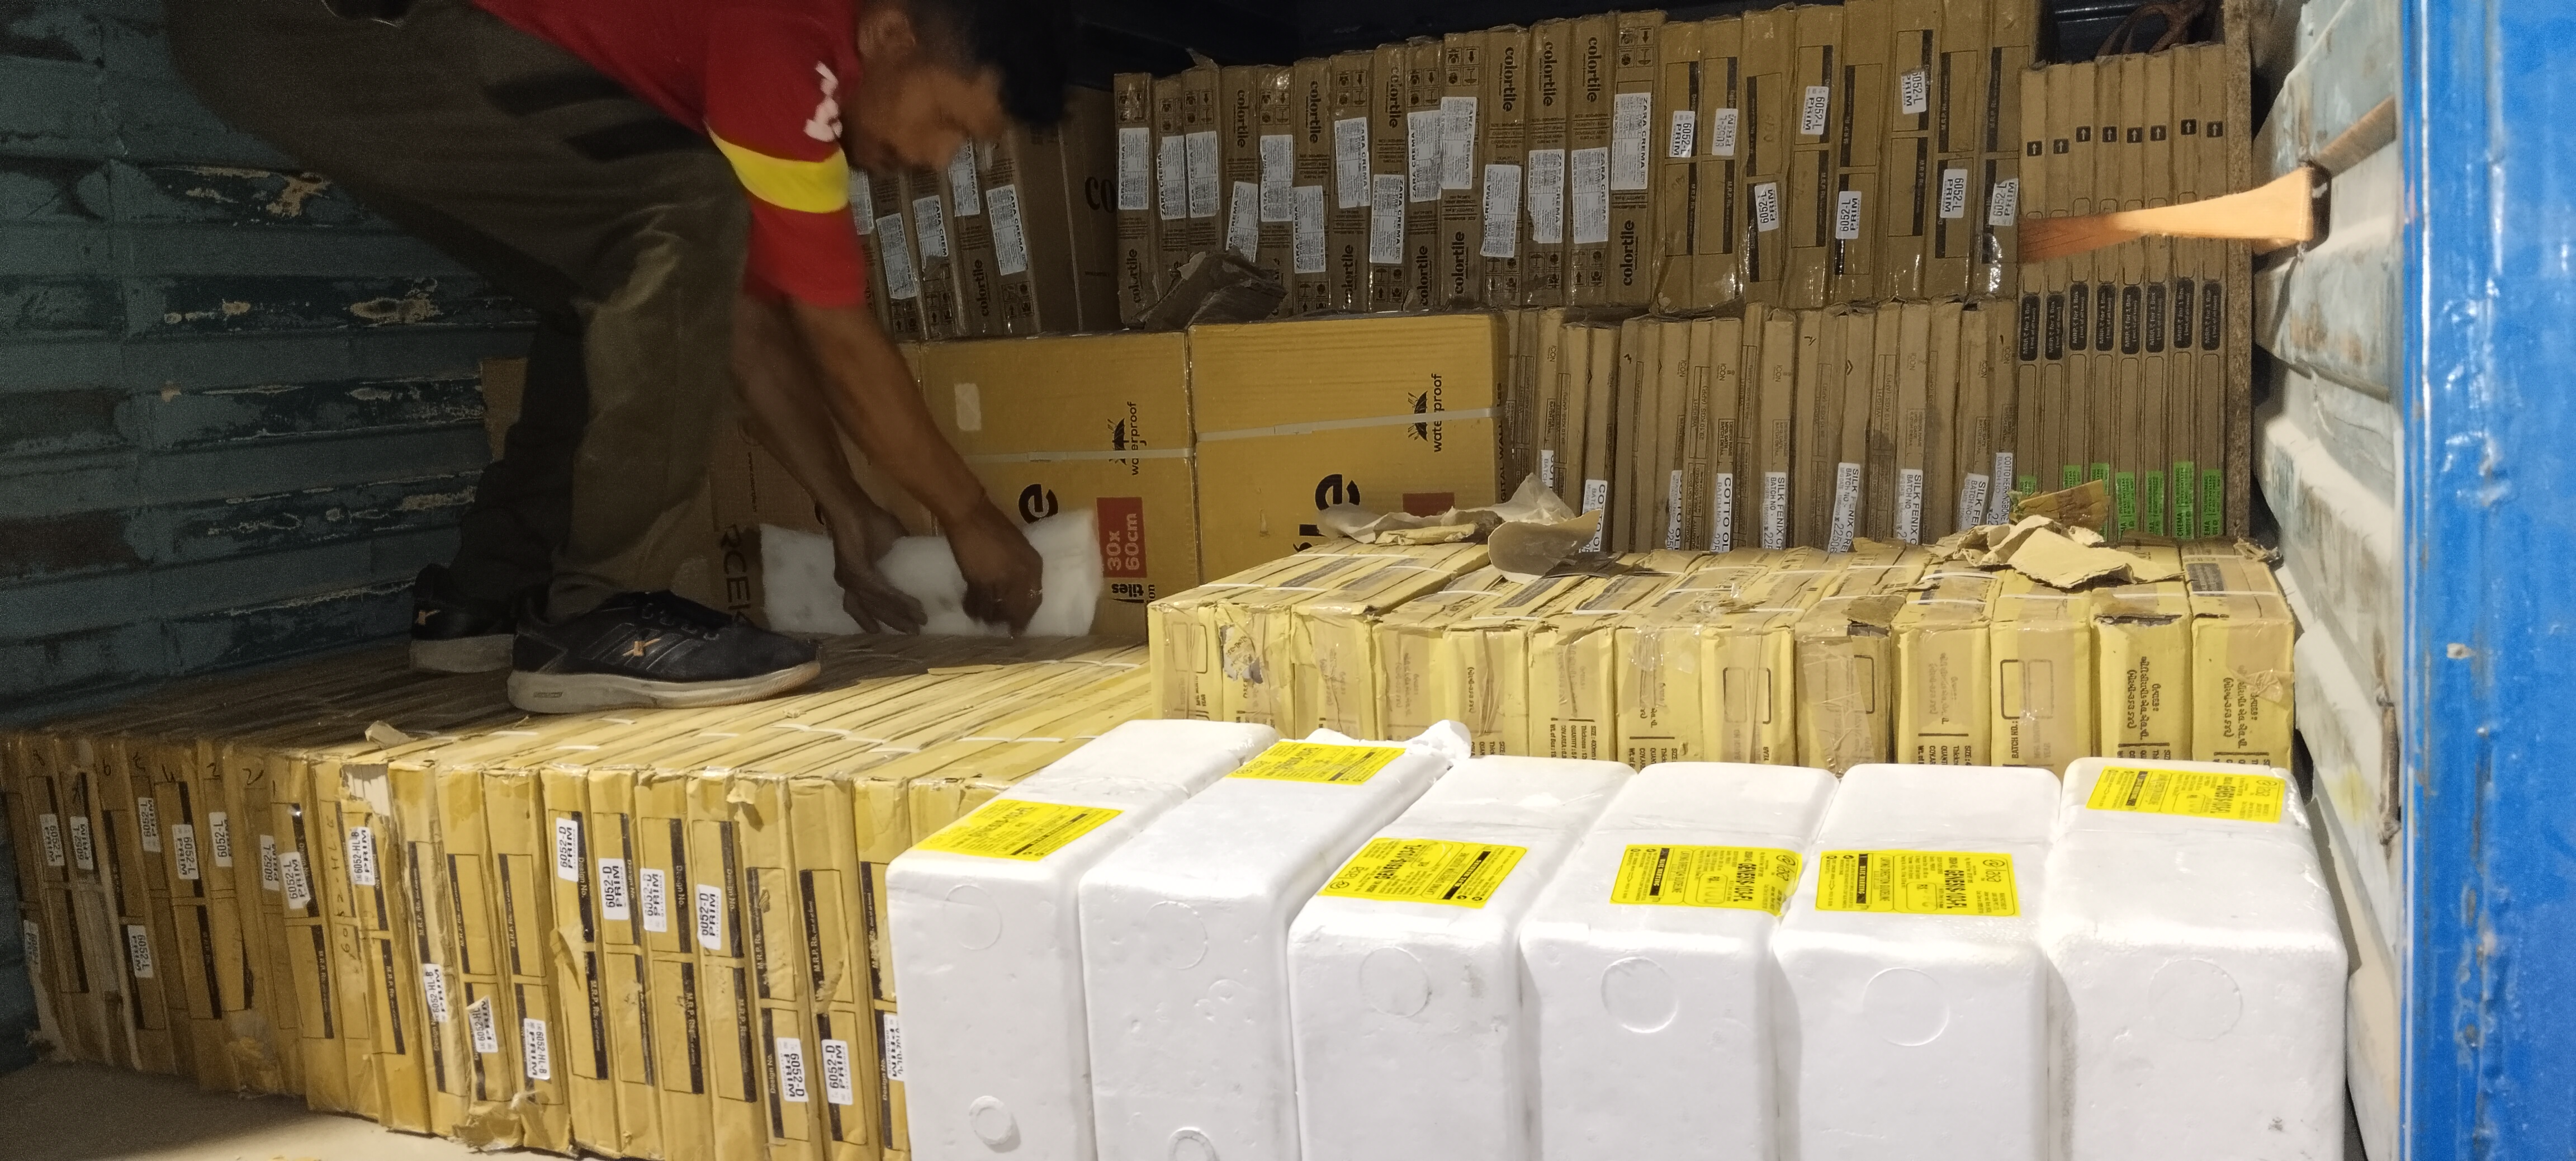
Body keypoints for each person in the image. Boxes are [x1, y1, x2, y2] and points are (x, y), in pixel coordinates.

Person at [165, 0, 1062, 713]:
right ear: (893, 35)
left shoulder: (784, 68)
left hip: (290, 38)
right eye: (949, 122)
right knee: (683, 211)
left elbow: (731, 326)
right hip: (318, 25)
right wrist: (967, 515)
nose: (934, 159)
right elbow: (836, 336)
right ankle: (602, 615)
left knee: (617, 272)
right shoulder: (789, 33)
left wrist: (849, 510)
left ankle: (488, 595)